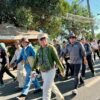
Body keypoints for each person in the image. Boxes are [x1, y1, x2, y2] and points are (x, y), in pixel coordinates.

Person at [32, 34, 65, 100]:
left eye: (44, 39)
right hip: (43, 72)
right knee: (51, 85)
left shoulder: (51, 48)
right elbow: (36, 61)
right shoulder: (38, 50)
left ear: (46, 39)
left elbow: (57, 59)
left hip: (51, 70)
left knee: (46, 88)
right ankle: (60, 97)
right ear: (39, 41)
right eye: (41, 39)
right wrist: (33, 70)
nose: (43, 40)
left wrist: (62, 69)